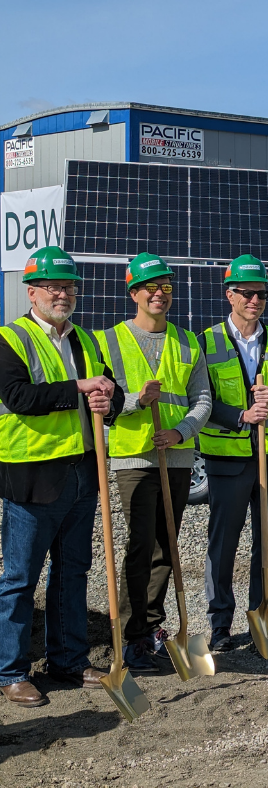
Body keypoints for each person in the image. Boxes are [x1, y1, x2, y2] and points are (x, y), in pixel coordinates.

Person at [0, 247, 123, 707]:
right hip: (32, 477)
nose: (62, 294)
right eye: (53, 286)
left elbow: (109, 389)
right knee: (20, 578)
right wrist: (78, 388)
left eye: (69, 287)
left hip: (81, 473)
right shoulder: (10, 338)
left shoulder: (85, 340)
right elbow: (17, 396)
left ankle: (68, 660)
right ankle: (11, 671)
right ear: (31, 292)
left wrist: (110, 398)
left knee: (73, 571)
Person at [96, 253, 211, 673]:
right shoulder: (108, 341)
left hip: (175, 456)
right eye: (150, 287)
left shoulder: (188, 341)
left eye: (165, 286)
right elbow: (103, 403)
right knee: (140, 543)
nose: (159, 293)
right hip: (133, 457)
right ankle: (130, 634)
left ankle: (152, 627)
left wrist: (180, 432)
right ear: (133, 293)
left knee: (167, 543)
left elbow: (202, 400)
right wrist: (136, 401)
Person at [200, 255, 268, 653]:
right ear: (230, 295)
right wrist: (241, 416)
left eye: (261, 293)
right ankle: (220, 625)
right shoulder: (207, 342)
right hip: (228, 459)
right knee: (223, 543)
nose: (254, 300)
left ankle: (262, 615)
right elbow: (202, 399)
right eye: (246, 293)